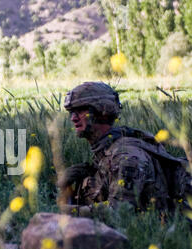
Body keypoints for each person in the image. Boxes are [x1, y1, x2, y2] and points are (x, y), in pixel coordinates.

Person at [58, 81, 191, 220]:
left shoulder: (126, 157)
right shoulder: (107, 150)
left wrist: (65, 212)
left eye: (81, 110)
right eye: (72, 112)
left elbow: (119, 213)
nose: (73, 118)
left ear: (101, 111)